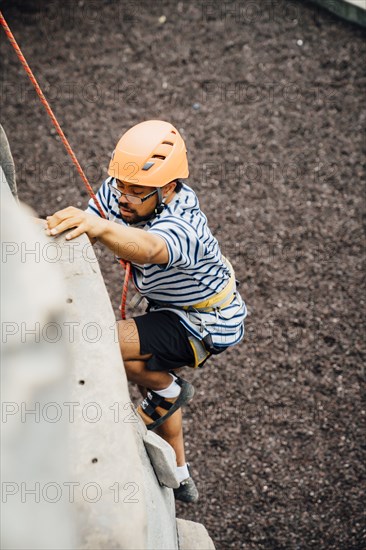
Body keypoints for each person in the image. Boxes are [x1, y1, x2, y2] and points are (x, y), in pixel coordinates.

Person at [46, 120, 247, 503]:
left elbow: (151, 248)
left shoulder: (184, 224)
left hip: (202, 320)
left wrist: (99, 227)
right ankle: (181, 468)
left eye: (137, 190)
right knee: (145, 370)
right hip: (169, 307)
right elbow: (87, 225)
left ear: (168, 188)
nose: (123, 198)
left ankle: (163, 396)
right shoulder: (120, 190)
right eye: (120, 185)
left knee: (100, 341)